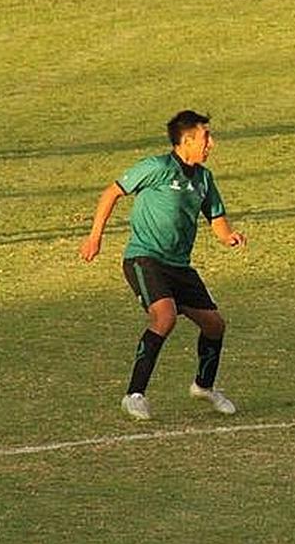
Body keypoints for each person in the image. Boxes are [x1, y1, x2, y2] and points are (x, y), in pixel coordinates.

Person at [79, 110, 246, 420]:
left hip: (179, 267)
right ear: (187, 141)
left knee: (214, 325)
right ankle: (134, 394)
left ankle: (203, 387)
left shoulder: (204, 179)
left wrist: (228, 236)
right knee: (165, 316)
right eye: (206, 137)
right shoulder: (156, 167)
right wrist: (94, 237)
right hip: (145, 259)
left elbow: (216, 218)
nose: (211, 143)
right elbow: (112, 193)